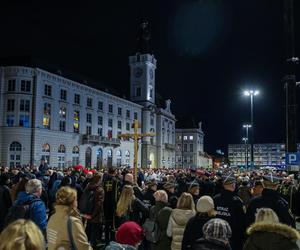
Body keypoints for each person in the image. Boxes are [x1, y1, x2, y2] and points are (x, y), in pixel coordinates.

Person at [214, 173, 246, 250]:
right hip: (233, 237)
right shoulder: (237, 201)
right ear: (233, 185)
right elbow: (241, 222)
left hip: (217, 234)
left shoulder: (215, 198)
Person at [84, 173, 105, 248]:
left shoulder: (88, 187)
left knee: (88, 233)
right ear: (99, 180)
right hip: (96, 216)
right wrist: (92, 215)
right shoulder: (100, 190)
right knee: (95, 236)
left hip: (87, 213)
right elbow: (98, 205)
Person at [103, 166, 121, 244]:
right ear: (115, 172)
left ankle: (106, 239)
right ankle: (112, 240)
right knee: (113, 223)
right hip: (112, 204)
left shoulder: (104, 180)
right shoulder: (116, 181)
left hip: (105, 203)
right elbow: (116, 194)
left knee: (107, 222)